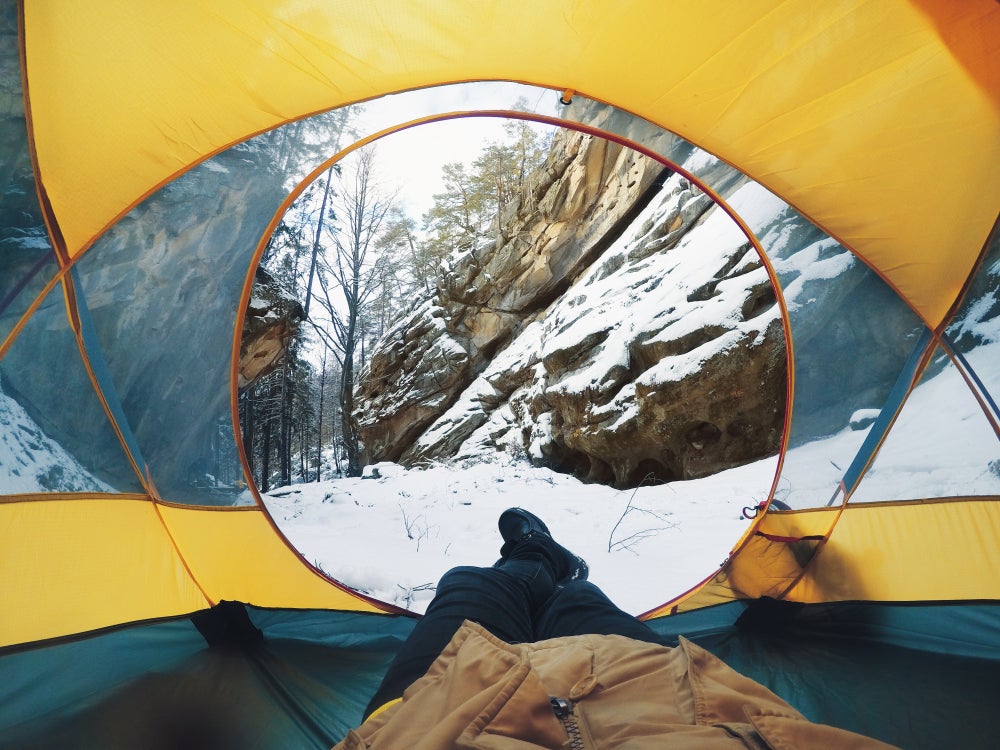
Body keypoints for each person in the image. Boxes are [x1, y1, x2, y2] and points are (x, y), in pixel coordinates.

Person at [334, 508, 897, 749]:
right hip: (661, 695)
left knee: (467, 584)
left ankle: (530, 556)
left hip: (427, 717)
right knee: (579, 603)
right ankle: (560, 574)